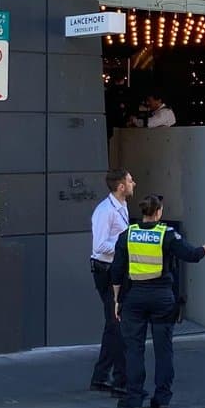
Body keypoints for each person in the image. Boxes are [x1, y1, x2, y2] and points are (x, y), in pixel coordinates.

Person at [111, 195, 205, 408]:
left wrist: (117, 300)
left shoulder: (127, 234)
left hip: (134, 297)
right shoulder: (166, 234)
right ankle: (162, 398)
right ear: (158, 213)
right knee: (164, 349)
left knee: (134, 350)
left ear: (143, 212)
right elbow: (193, 255)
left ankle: (134, 399)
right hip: (162, 298)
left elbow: (117, 272)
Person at [89, 169, 134, 396]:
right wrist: (123, 245)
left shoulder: (122, 206)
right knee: (117, 323)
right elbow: (99, 246)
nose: (133, 183)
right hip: (105, 270)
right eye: (129, 180)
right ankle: (119, 381)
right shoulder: (105, 211)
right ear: (120, 186)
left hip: (115, 269)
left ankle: (100, 377)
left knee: (112, 323)